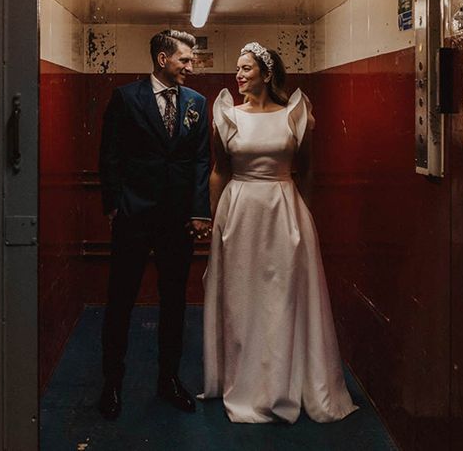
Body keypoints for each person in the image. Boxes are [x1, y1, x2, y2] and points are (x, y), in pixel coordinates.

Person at [200, 42, 358, 423]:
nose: (239, 74)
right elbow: (219, 169)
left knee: (281, 297)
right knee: (242, 296)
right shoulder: (226, 115)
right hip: (238, 212)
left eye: (247, 68)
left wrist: (303, 214)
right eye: (238, 68)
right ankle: (243, 380)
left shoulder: (296, 115)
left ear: (267, 74)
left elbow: (305, 170)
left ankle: (281, 382)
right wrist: (214, 219)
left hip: (284, 209)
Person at [97, 29, 212, 420]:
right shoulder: (127, 98)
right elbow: (109, 153)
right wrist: (113, 204)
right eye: (185, 59)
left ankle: (169, 379)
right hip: (133, 215)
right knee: (120, 300)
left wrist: (199, 211)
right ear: (163, 59)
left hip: (176, 219)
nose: (191, 67)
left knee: (175, 301)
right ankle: (112, 382)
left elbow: (200, 160)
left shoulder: (197, 103)